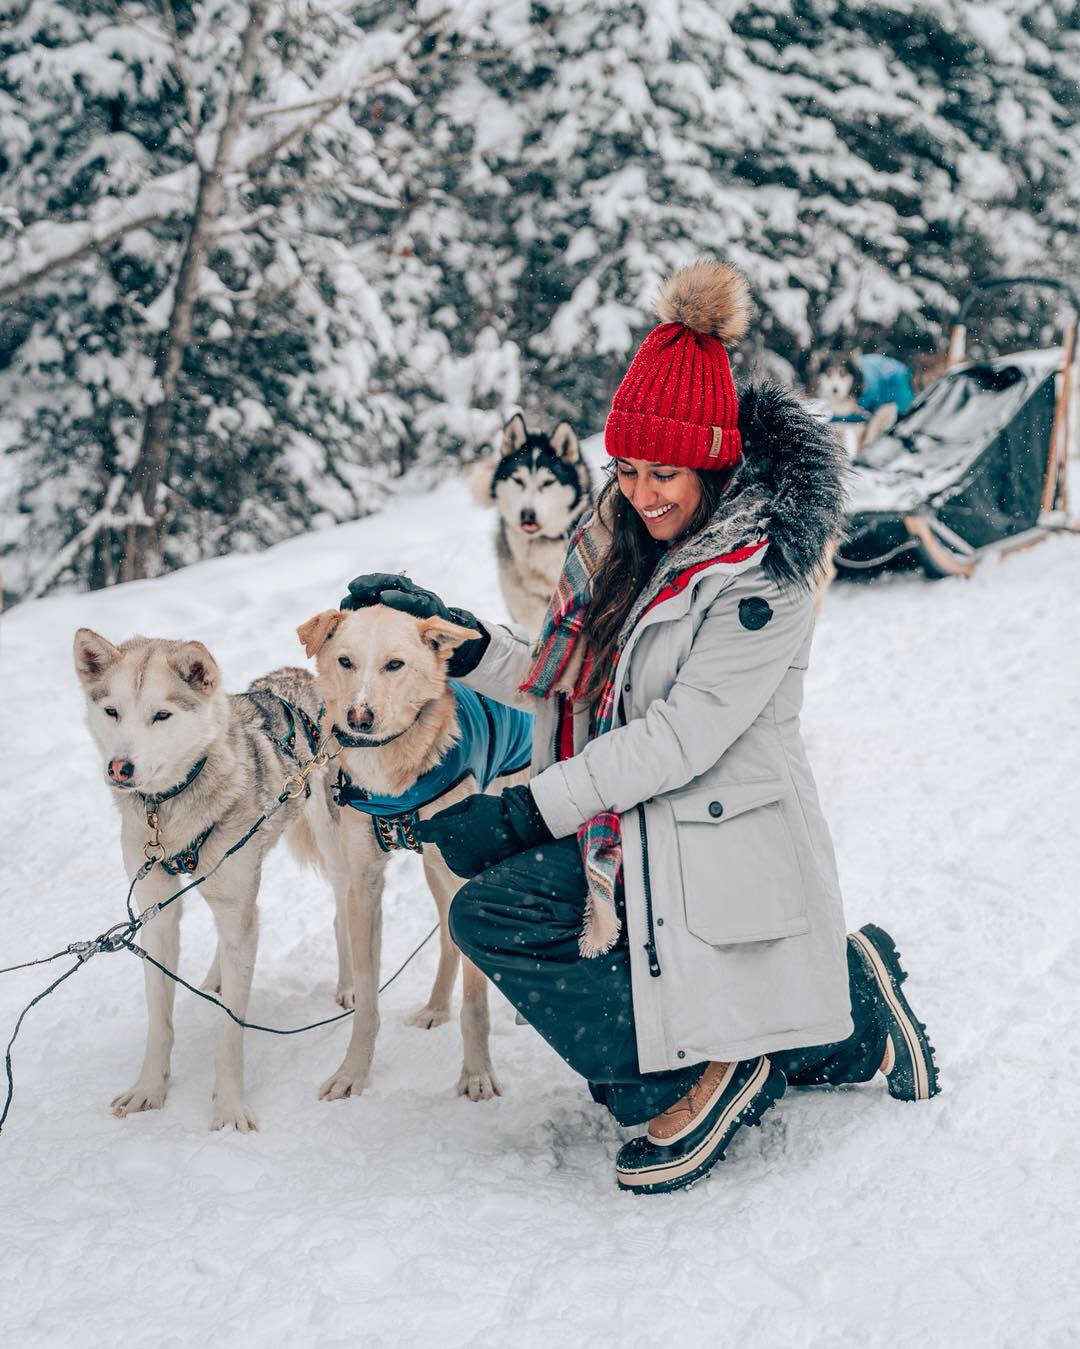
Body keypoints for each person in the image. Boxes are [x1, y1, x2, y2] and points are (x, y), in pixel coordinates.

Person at [342, 258, 939, 1196]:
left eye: (665, 471)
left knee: (511, 919)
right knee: (490, 908)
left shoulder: (761, 575)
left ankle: (716, 1065)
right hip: (646, 826)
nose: (643, 490)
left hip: (717, 833)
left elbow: (675, 736)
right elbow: (573, 678)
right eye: (627, 467)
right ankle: (829, 1015)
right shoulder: (626, 541)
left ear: (715, 459)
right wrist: (458, 644)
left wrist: (522, 811)